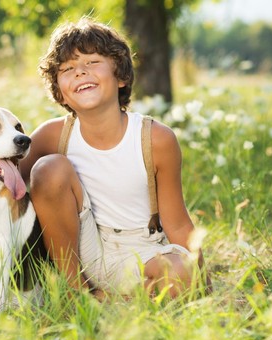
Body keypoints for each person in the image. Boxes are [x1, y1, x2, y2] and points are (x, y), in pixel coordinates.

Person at [19, 18, 206, 298]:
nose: (80, 72)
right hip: (84, 250)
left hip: (144, 248)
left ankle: (111, 299)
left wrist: (205, 286)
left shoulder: (155, 139)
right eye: (68, 68)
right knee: (49, 169)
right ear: (60, 92)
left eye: (92, 62)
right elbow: (7, 181)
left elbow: (178, 224)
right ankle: (76, 295)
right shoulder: (52, 135)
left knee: (182, 273)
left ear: (121, 76)